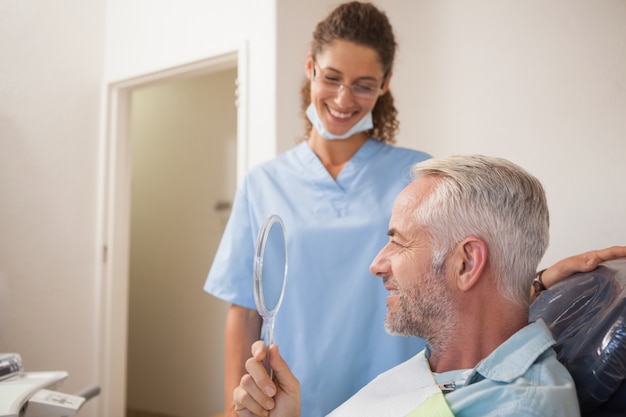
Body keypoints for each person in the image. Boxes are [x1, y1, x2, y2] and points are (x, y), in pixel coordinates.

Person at [204, 2, 626, 416]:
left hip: (402, 392)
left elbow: (459, 272)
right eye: (331, 77)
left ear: (385, 83)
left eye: (363, 84)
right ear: (310, 67)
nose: (343, 97)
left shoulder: (417, 175)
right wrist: (233, 407)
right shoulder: (263, 183)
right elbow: (244, 309)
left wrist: (536, 281)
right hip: (291, 387)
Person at [233, 155, 626, 417]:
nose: (376, 264)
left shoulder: (516, 406)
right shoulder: (451, 372)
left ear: (466, 263)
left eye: (398, 241)